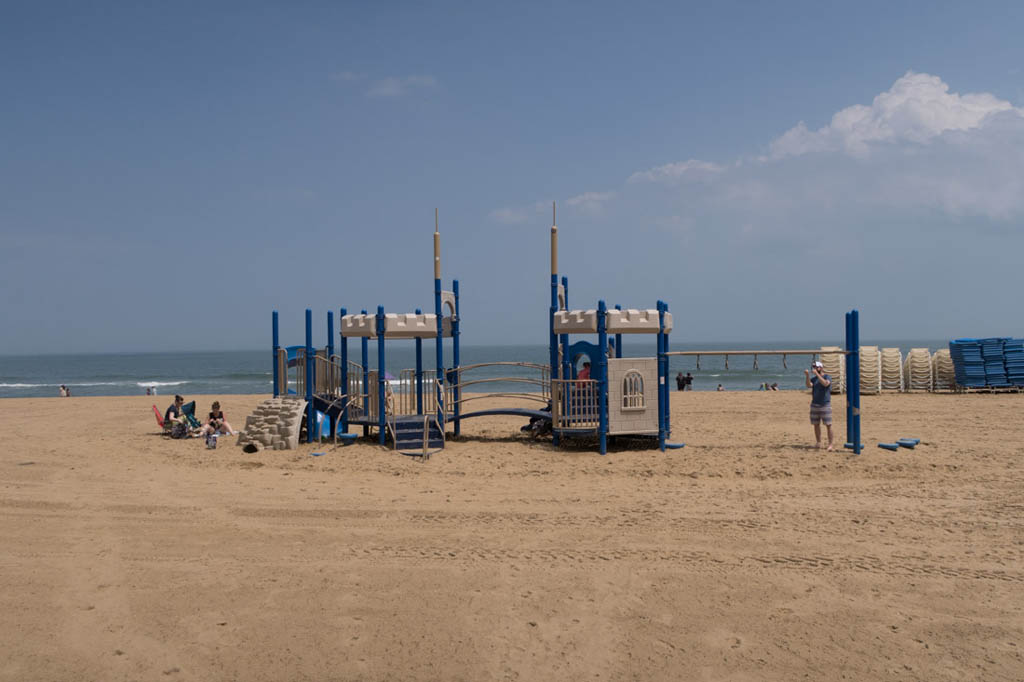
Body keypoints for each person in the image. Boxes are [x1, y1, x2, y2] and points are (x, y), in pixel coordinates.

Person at [805, 361, 834, 451]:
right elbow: (809, 385)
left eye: (816, 367)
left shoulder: (826, 376)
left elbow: (825, 383)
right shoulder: (814, 379)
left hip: (825, 404)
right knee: (816, 424)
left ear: (821, 368)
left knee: (828, 425)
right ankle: (818, 442)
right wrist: (807, 376)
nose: (814, 369)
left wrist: (817, 374)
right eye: (813, 367)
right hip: (815, 404)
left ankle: (830, 444)